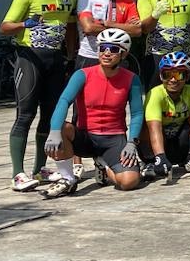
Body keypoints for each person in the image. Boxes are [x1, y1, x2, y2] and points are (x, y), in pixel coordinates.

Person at [1, 0, 79, 192]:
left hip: (55, 60)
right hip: (30, 58)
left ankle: (39, 169)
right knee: (25, 115)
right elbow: (4, 27)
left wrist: (71, 55)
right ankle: (17, 173)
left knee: (49, 117)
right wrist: (25, 24)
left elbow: (69, 25)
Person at [40, 27, 143, 197]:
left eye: (114, 49)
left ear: (123, 54)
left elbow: (137, 113)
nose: (107, 53)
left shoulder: (132, 79)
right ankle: (68, 179)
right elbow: (64, 101)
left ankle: (104, 165)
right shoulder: (82, 74)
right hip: (85, 136)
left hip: (113, 138)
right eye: (103, 48)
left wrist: (132, 142)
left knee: (129, 181)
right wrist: (55, 131)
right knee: (63, 128)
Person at [74, 0, 141, 69]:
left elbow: (137, 31)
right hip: (90, 56)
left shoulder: (128, 2)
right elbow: (89, 28)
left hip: (116, 57)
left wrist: (108, 24)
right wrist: (124, 28)